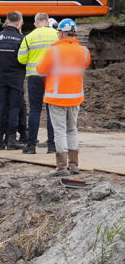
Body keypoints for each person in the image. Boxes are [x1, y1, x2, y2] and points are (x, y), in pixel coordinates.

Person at [36, 18, 91, 176]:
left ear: (61, 33)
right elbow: (84, 65)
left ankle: (61, 168)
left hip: (56, 97)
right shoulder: (84, 51)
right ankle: (74, 165)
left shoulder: (53, 51)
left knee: (59, 131)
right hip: (75, 98)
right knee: (72, 129)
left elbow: (40, 70)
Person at [17, 13, 59, 154]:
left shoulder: (29, 37)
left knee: (35, 110)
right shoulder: (57, 35)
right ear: (47, 22)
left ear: (35, 24)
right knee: (51, 110)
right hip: (52, 76)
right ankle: (52, 146)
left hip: (34, 76)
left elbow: (21, 59)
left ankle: (31, 146)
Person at [0, 11, 26, 150]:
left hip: (2, 76)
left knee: (1, 106)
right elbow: (23, 59)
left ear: (7, 21)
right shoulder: (21, 39)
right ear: (19, 23)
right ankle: (11, 139)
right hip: (16, 77)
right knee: (14, 107)